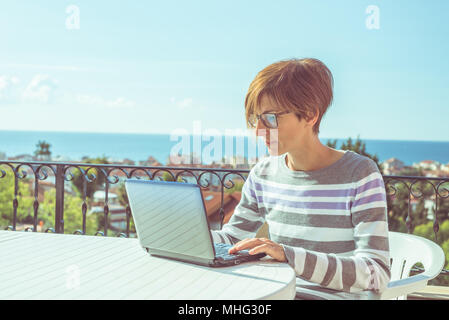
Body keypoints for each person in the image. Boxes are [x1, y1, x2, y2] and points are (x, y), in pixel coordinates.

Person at [211, 58, 391, 300]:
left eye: (271, 118)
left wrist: (288, 255)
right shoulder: (263, 174)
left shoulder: (359, 174)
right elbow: (234, 238)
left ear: (309, 115)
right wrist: (185, 236)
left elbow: (375, 272)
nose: (258, 131)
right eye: (256, 119)